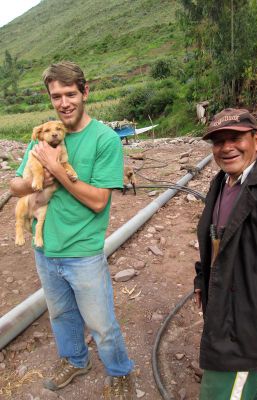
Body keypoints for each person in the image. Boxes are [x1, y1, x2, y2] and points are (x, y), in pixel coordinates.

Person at [10, 61, 135, 399]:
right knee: (61, 315)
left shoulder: (105, 140)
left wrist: (56, 170)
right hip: (45, 248)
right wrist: (27, 182)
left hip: (82, 251)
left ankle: (120, 372)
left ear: (85, 92)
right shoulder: (40, 139)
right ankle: (76, 360)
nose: (63, 102)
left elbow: (98, 201)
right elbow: (17, 183)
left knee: (101, 323)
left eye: (70, 94)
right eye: (56, 96)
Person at [194, 108, 257, 400]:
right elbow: (216, 241)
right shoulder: (221, 182)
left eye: (235, 138)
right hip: (224, 310)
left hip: (249, 327)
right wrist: (202, 279)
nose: (226, 147)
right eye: (218, 141)